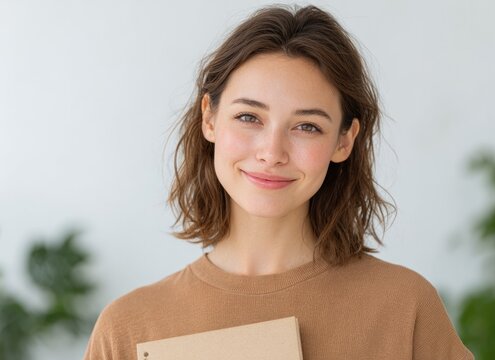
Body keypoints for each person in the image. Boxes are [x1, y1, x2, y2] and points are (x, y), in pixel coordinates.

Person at [84, 4, 474, 359]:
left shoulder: (405, 309)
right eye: (249, 117)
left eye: (307, 126)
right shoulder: (128, 329)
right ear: (209, 118)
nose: (272, 152)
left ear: (344, 140)